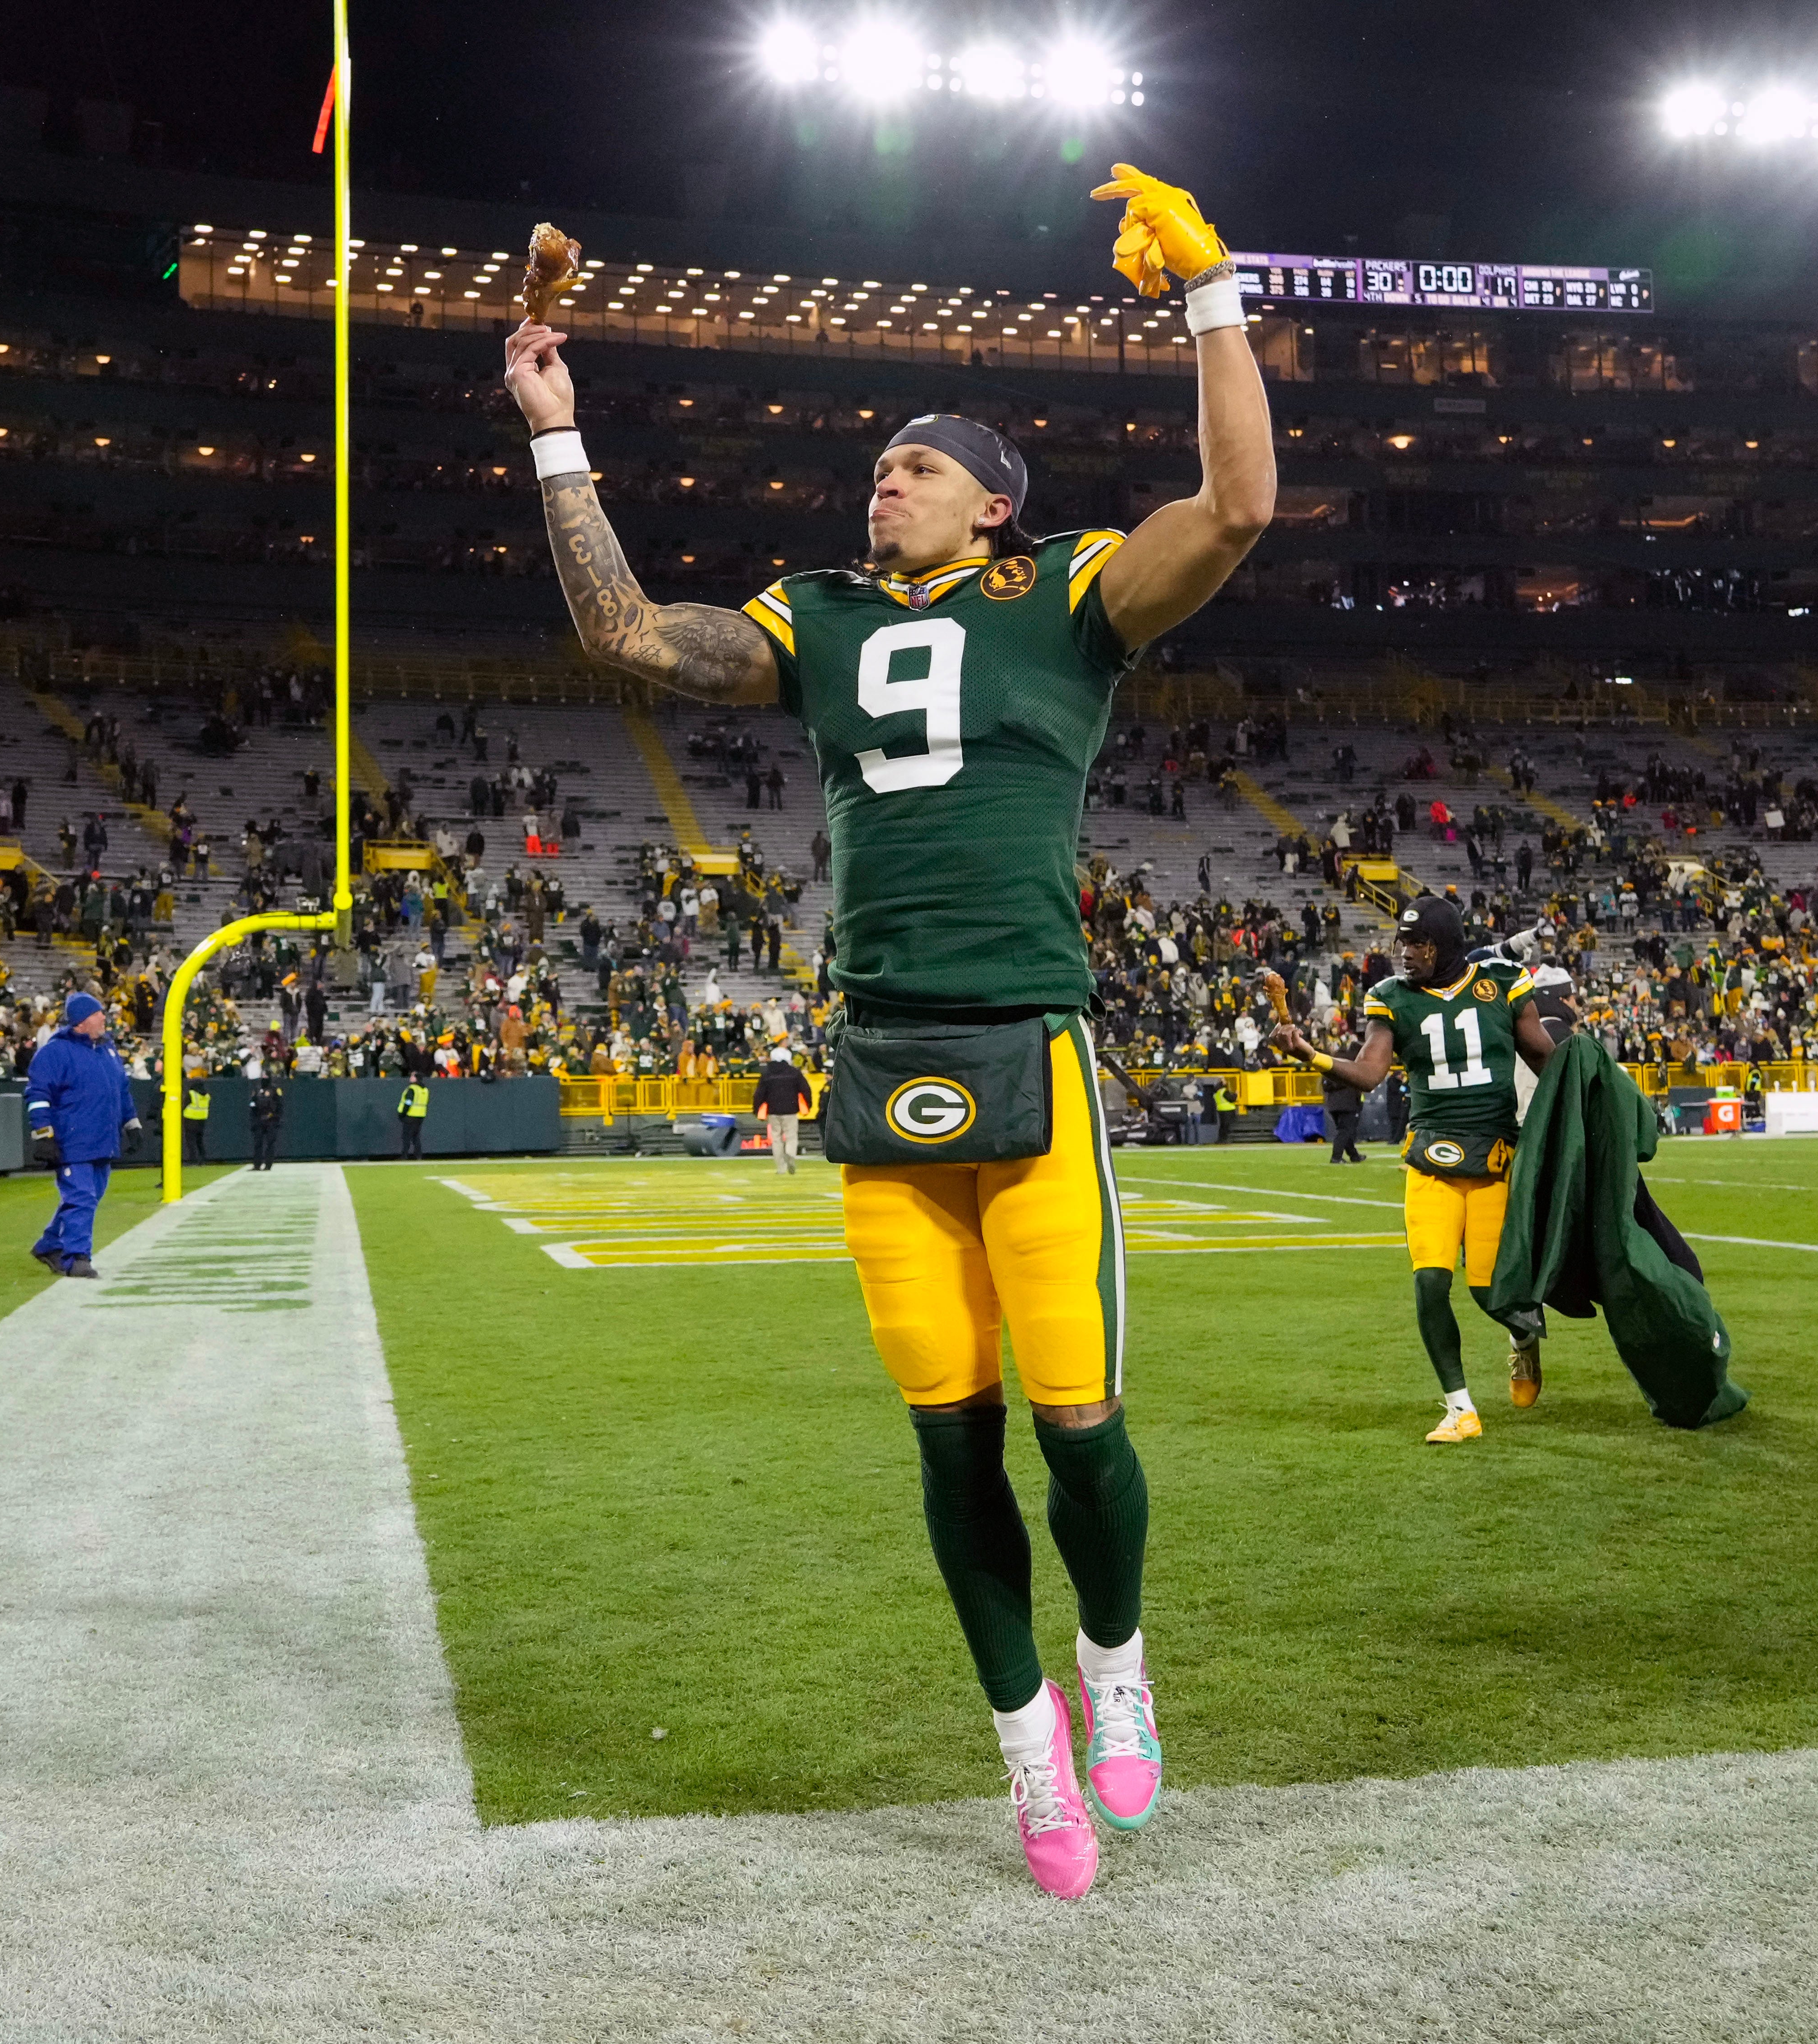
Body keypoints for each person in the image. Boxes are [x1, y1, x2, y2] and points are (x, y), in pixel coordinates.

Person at [509, 160, 1272, 1899]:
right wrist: (556, 433)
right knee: (950, 1433)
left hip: (1036, 1042)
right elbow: (629, 634)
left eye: (917, 464)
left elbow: (1233, 512)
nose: (886, 480)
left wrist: (1210, 296)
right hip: (879, 1061)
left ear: (996, 505)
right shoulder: (819, 611)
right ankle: (1029, 1761)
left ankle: (1120, 1666)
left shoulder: (1070, 592)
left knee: (1079, 1418)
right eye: (877, 466)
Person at [1276, 896, 1557, 1443]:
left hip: (1496, 1157)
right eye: (1402, 942)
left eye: (1418, 943)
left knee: (1489, 1292)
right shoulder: (1392, 999)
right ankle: (1460, 1409)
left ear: (1446, 944)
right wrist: (1310, 1054)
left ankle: (1523, 1340)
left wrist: (1589, 1104)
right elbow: (1369, 1072)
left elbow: (1546, 1058)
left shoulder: (1500, 982)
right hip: (1431, 1158)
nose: (1405, 954)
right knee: (1430, 1283)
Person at [24, 991, 134, 1278]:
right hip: (74, 1141)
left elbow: (121, 1091)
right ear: (82, 1021)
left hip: (102, 1140)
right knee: (82, 1199)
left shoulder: (108, 1051)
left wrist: (131, 1124)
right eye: (99, 1014)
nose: (104, 1018)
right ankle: (77, 1258)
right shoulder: (55, 1053)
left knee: (88, 1198)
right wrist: (43, 1134)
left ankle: (50, 1245)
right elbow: (38, 1096)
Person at [750, 1045, 812, 1174]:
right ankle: (790, 1154)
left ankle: (781, 1167)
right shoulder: (794, 1073)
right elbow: (806, 1089)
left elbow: (759, 1094)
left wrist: (756, 1109)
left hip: (773, 1111)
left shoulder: (767, 1074)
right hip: (791, 1110)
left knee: (777, 1139)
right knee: (791, 1137)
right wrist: (809, 1105)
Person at [249, 1069, 284, 1171]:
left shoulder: (275, 1090)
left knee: (270, 1143)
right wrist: (254, 1115)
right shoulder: (257, 1089)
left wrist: (277, 1118)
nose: (264, 1077)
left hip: (271, 1120)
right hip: (259, 1120)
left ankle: (268, 1165)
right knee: (258, 1143)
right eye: (263, 1075)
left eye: (266, 1076)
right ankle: (257, 1165)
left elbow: (280, 1105)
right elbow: (252, 1103)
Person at [395, 1074, 429, 1159]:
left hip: (410, 1116)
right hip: (420, 1115)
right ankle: (418, 1156)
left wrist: (403, 1113)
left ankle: (404, 1156)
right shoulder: (425, 1090)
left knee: (407, 1137)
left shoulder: (413, 1089)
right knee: (416, 1137)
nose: (411, 1078)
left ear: (416, 1079)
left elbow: (408, 1102)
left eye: (413, 1076)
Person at [181, 1070, 210, 1164]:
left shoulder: (192, 1094)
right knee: (199, 1141)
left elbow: (184, 1105)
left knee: (191, 1141)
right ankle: (203, 1159)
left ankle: (193, 1160)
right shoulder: (207, 1096)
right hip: (202, 1121)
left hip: (190, 1120)